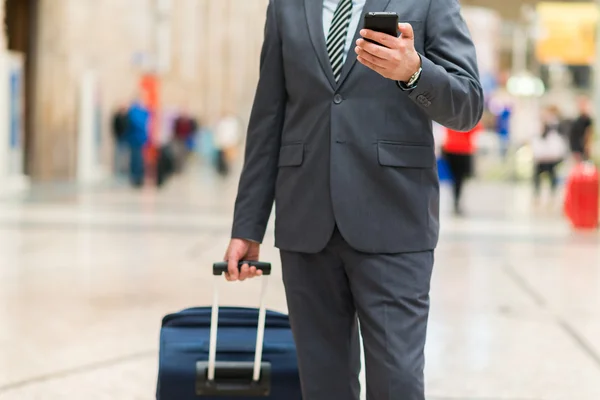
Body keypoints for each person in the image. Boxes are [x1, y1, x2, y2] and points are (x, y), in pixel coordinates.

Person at [224, 1, 483, 399]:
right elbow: (268, 117)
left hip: (394, 221)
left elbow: (467, 104)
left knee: (397, 382)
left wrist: (413, 72)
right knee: (322, 385)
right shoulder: (286, 7)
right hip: (306, 223)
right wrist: (248, 225)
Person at [442, 122, 482, 216]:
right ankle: (456, 202)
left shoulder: (450, 116)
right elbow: (477, 128)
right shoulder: (467, 117)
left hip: (450, 148)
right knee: (459, 179)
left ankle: (455, 201)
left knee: (455, 178)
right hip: (463, 150)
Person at [531, 105, 567, 200]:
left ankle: (552, 194)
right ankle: (537, 194)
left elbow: (558, 142)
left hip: (551, 158)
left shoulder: (555, 127)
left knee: (552, 176)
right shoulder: (539, 126)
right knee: (537, 177)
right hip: (541, 158)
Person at [126, 98, 150, 187]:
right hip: (135, 139)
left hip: (139, 139)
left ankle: (138, 177)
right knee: (136, 159)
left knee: (139, 159)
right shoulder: (135, 112)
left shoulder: (140, 112)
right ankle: (136, 177)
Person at [569, 96, 593, 162]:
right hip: (576, 147)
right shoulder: (576, 119)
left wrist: (587, 146)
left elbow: (588, 133)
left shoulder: (587, 119)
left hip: (582, 148)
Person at [112, 104, 130, 176]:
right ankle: (117, 170)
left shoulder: (126, 117)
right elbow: (114, 127)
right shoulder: (117, 117)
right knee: (118, 155)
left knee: (124, 156)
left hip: (125, 138)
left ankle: (124, 170)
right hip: (119, 138)